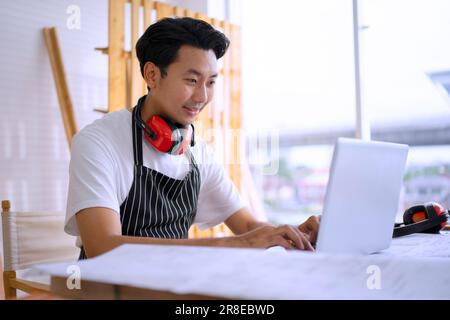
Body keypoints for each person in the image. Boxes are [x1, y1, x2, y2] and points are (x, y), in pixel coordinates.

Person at [65, 17, 320, 259]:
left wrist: (293, 235)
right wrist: (241, 243)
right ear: (152, 75)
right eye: (192, 80)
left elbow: (248, 225)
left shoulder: (198, 153)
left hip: (171, 285)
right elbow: (102, 246)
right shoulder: (98, 142)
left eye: (210, 83)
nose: (202, 97)